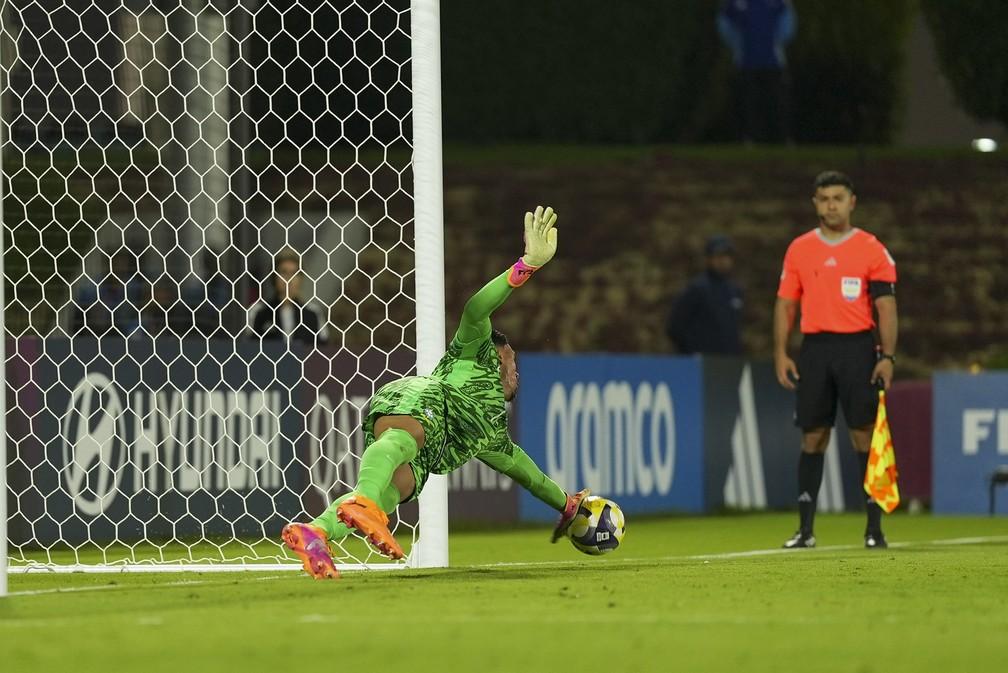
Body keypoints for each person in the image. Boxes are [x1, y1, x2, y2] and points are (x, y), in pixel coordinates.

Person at [281, 206, 590, 579]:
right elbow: (476, 310)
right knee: (401, 443)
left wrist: (569, 507)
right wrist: (526, 266)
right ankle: (365, 501)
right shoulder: (472, 353)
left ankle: (317, 532)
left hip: (426, 454)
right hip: (423, 401)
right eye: (509, 360)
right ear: (494, 357)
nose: (515, 370)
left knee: (396, 490)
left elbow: (533, 478)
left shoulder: (493, 438)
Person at [774, 171, 898, 550]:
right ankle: (805, 530)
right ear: (815, 203)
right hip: (815, 349)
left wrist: (887, 356)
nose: (831, 205)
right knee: (813, 436)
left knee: (864, 435)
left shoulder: (871, 249)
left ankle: (874, 530)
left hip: (858, 349)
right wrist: (781, 352)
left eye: (838, 198)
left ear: (852, 202)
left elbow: (886, 307)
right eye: (824, 198)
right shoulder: (799, 249)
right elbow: (785, 304)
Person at [717, 0, 796, 143]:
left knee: (778, 101)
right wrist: (739, 45)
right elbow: (725, 25)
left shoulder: (779, 3)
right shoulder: (734, 3)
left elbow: (787, 27)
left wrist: (774, 43)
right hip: (745, 61)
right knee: (748, 101)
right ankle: (749, 138)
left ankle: (782, 138)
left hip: (774, 62)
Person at [665, 234, 744, 355]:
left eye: (727, 256)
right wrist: (690, 352)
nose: (723, 261)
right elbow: (675, 326)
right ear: (708, 259)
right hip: (701, 364)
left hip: (729, 364)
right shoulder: (697, 289)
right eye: (718, 256)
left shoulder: (735, 290)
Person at [248, 248, 328, 347]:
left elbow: (324, 352)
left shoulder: (313, 314)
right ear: (274, 276)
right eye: (283, 272)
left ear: (301, 278)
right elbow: (249, 350)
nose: (289, 279)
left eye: (294, 273)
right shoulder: (258, 312)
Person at [70, 249, 147, 338]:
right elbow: (80, 312)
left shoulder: (133, 287)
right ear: (109, 265)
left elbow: (138, 311)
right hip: (98, 331)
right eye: (117, 263)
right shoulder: (93, 288)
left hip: (124, 331)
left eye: (123, 264)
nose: (120, 268)